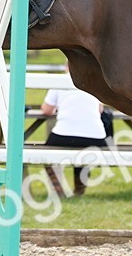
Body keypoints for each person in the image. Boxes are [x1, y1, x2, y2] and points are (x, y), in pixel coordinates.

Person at [40, 63, 109, 197]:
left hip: (64, 135)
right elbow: (100, 109)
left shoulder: (59, 81)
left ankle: (58, 191)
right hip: (96, 138)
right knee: (83, 154)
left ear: (67, 67)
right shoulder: (94, 81)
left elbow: (47, 110)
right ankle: (79, 190)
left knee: (46, 154)